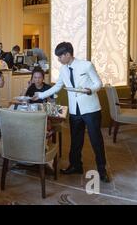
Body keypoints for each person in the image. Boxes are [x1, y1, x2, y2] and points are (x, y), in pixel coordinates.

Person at [32, 42, 109, 182]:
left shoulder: (86, 65)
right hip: (75, 110)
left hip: (91, 109)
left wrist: (89, 90)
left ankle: (102, 170)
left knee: (96, 141)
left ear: (67, 54)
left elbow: (98, 83)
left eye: (60, 56)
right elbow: (58, 87)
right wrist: (40, 95)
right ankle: (75, 166)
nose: (58, 59)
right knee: (76, 140)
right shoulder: (63, 69)